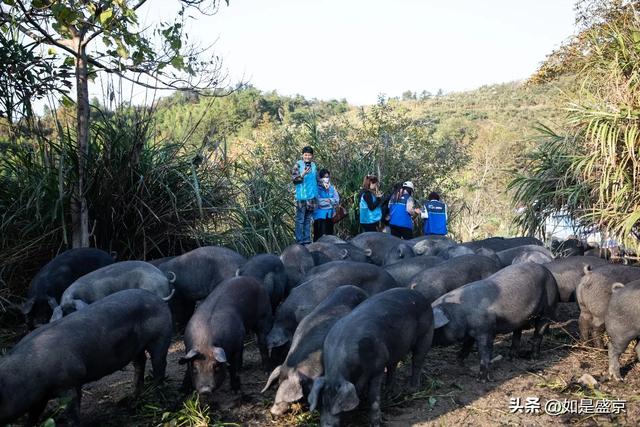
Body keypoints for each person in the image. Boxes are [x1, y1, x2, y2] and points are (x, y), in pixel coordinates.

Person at [291, 146, 317, 245]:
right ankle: (299, 240)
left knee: (308, 220)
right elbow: (294, 180)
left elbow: (316, 179)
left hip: (311, 198)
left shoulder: (314, 165)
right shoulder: (297, 165)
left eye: (309, 155)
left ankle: (307, 240)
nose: (307, 157)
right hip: (302, 197)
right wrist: (302, 174)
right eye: (305, 155)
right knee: (300, 220)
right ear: (302, 155)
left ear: (312, 156)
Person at [313, 169, 340, 241]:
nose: (326, 179)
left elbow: (337, 200)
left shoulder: (331, 188)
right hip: (319, 217)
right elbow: (319, 203)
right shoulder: (316, 188)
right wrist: (330, 202)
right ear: (320, 178)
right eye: (324, 177)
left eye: (327, 177)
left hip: (330, 216)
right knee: (319, 238)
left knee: (330, 238)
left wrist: (329, 200)